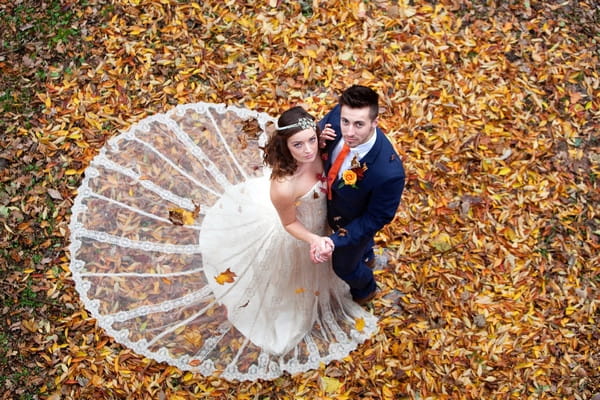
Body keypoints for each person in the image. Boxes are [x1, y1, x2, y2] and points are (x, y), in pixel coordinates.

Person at [69, 102, 378, 382]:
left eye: (312, 140)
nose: (308, 150)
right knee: (293, 278)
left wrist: (322, 141)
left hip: (324, 220)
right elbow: (288, 223)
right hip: (300, 232)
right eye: (299, 144)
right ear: (285, 147)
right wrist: (314, 239)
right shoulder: (283, 186)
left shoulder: (320, 147)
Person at [315, 85, 406, 306]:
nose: (349, 132)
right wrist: (318, 137)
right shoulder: (340, 115)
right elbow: (320, 128)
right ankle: (367, 255)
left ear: (375, 122)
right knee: (360, 251)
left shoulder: (388, 172)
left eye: (359, 125)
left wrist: (336, 240)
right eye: (346, 122)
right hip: (325, 202)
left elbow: (376, 218)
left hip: (352, 222)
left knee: (343, 266)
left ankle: (366, 288)